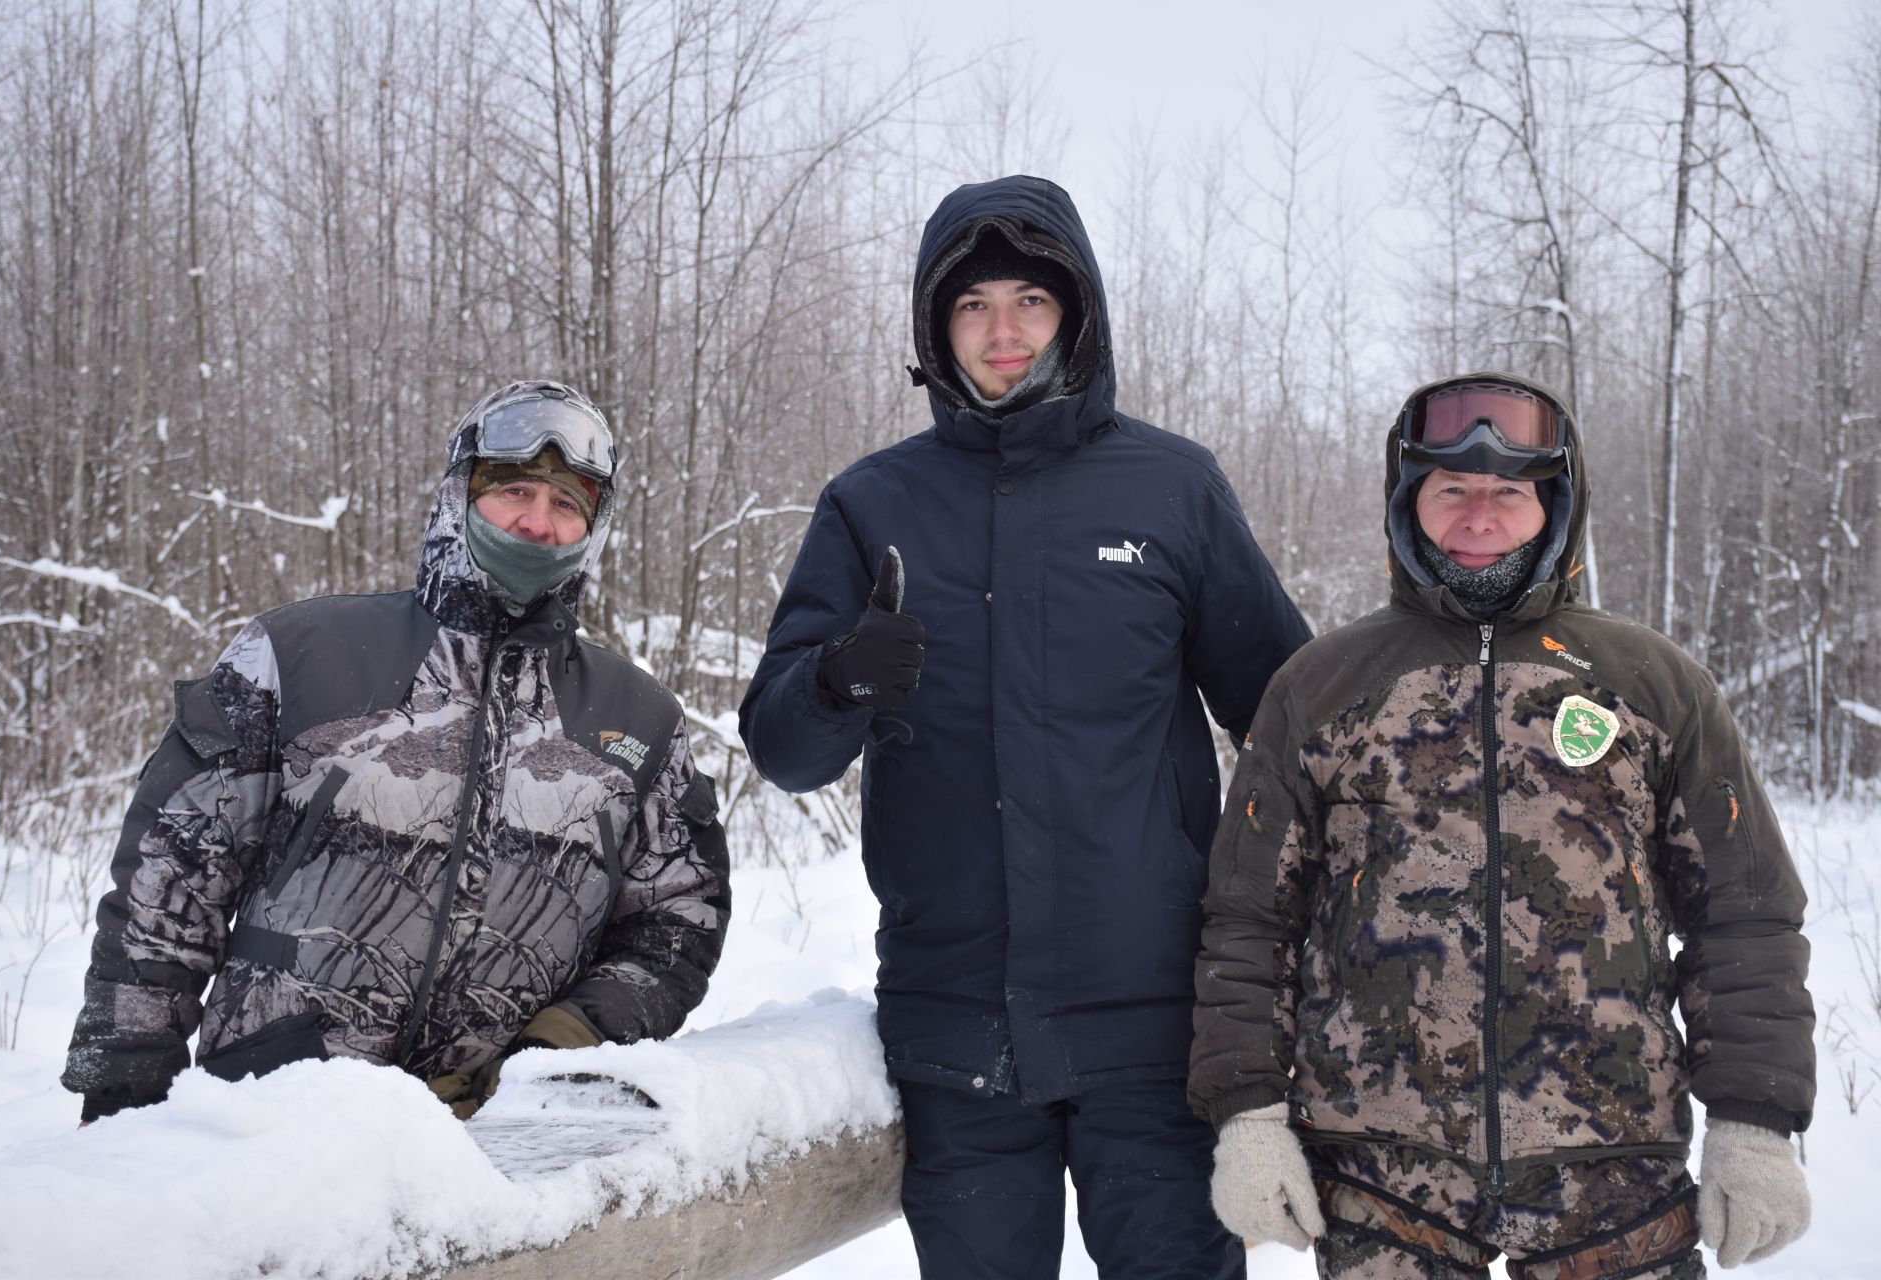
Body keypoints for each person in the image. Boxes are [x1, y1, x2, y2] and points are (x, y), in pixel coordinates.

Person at [739, 175, 1311, 1278]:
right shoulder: (872, 503)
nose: (1002, 331)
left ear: (1077, 312)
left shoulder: (1172, 489)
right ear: (933, 325)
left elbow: (1290, 729)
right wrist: (841, 680)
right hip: (959, 1032)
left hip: (1150, 1029)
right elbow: (782, 749)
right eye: (971, 305)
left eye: (1030, 302)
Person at [1190, 371, 1814, 1278]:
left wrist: (1755, 1122)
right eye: (1452, 490)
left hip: (1613, 1170)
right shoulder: (1319, 689)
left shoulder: (1652, 685)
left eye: (1508, 493)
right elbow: (1248, 922)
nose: (1478, 518)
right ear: (1410, 504)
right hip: (1383, 1177)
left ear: (1554, 505)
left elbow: (1745, 917)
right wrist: (1246, 1116)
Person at [64, 380, 730, 1123]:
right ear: (459, 493)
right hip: (270, 1130)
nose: (538, 522)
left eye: (568, 504)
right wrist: (123, 1096)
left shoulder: (637, 718)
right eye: (514, 490)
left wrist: (568, 1046)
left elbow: (679, 918)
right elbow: (171, 885)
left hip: (500, 1153)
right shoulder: (296, 655)